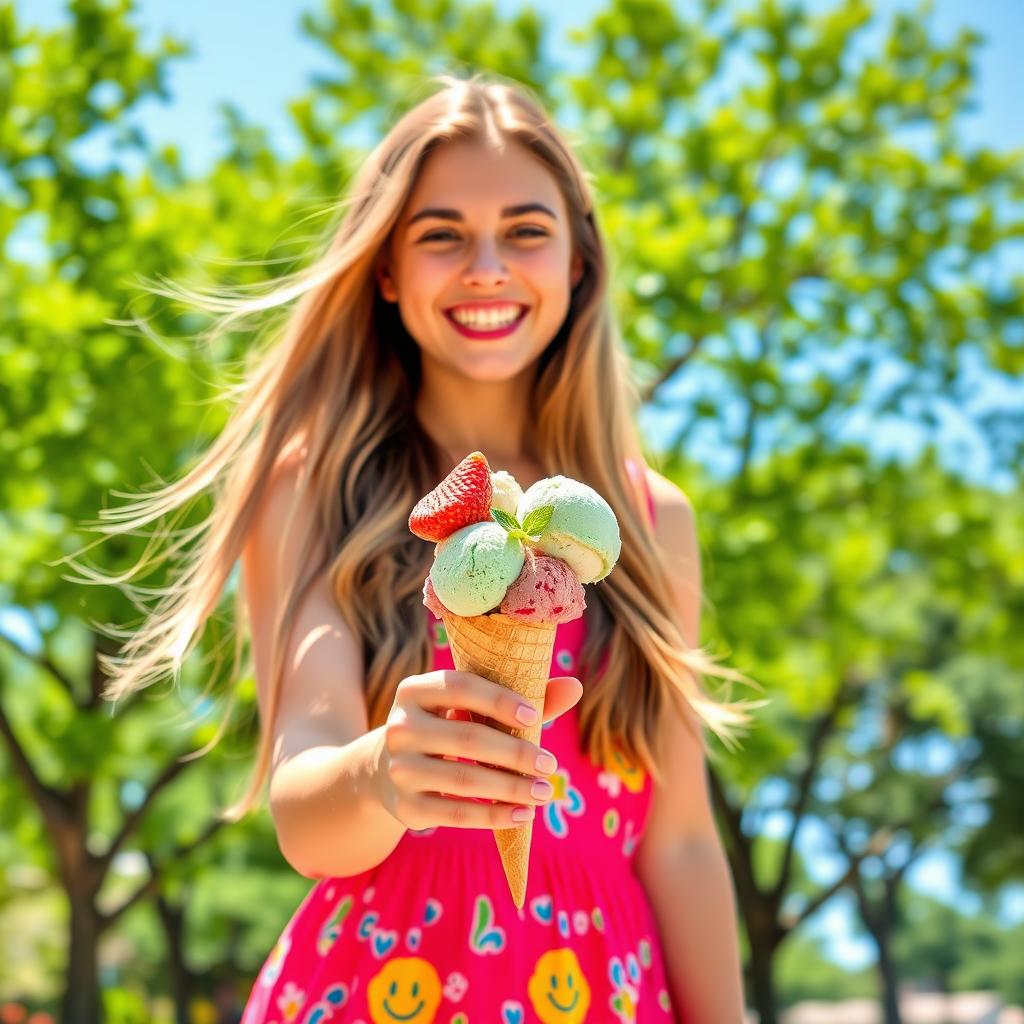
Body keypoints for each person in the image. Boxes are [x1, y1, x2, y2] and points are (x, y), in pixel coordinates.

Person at [95, 72, 761, 1023]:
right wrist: (382, 771)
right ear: (386, 271)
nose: (486, 265)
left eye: (526, 230)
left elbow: (683, 839)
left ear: (580, 261)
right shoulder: (315, 487)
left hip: (609, 985)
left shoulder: (655, 521)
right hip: (375, 982)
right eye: (440, 234)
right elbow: (305, 810)